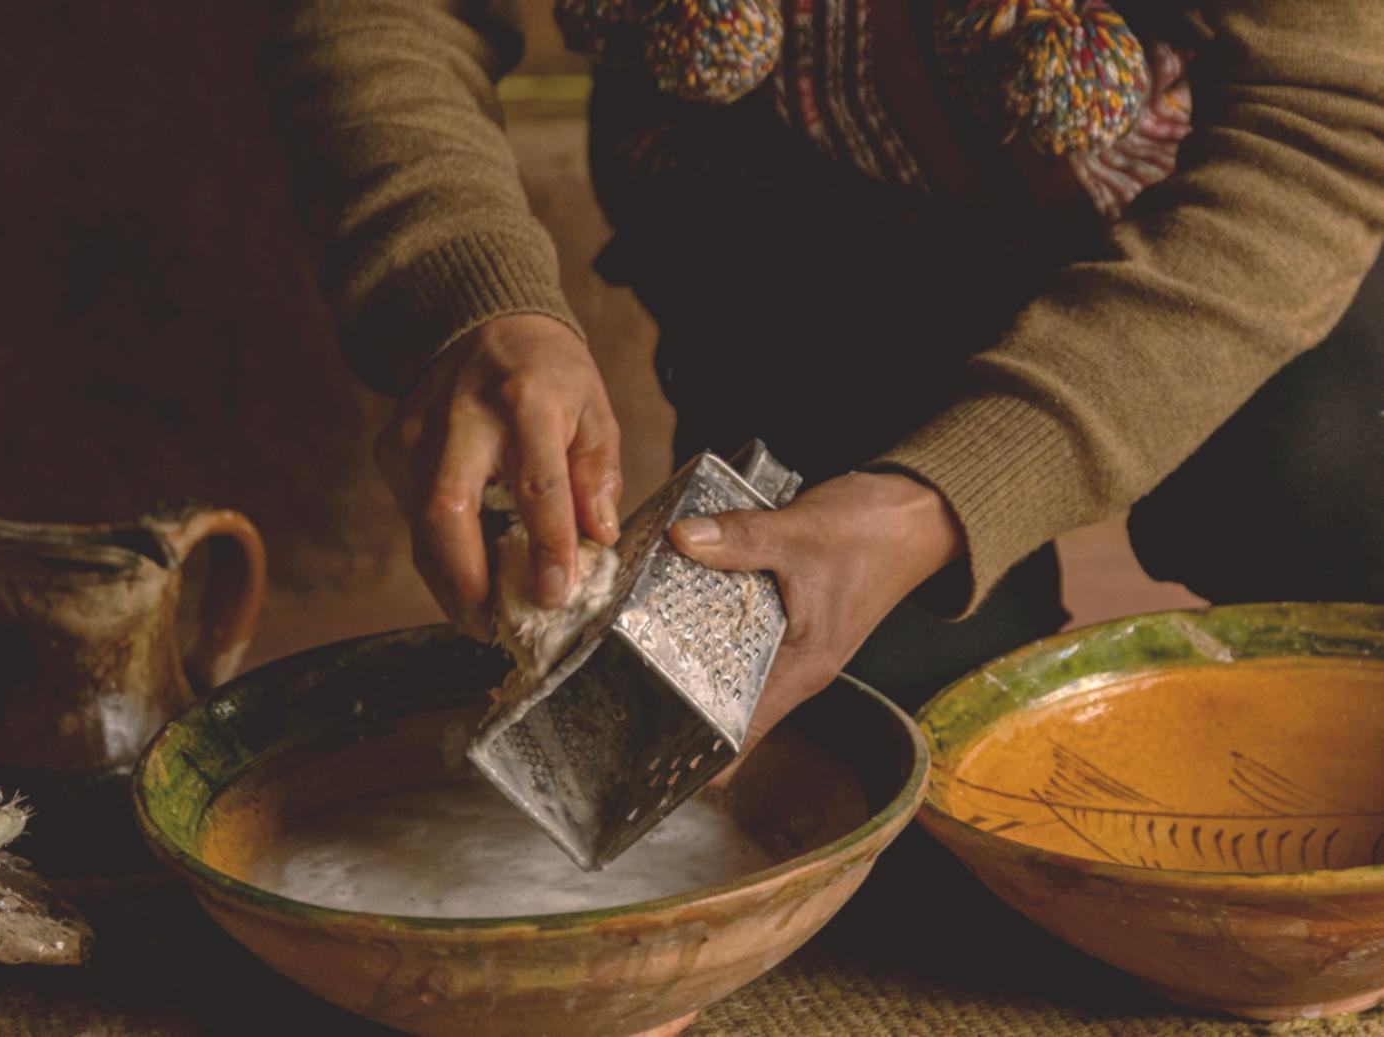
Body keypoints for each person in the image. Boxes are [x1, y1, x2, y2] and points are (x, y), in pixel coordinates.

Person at [261, 0, 1384, 740]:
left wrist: (956, 488)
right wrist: (473, 298)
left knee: (1338, 486)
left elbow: (1316, 122)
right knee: (873, 733)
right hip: (793, 219)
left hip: (1188, 193)